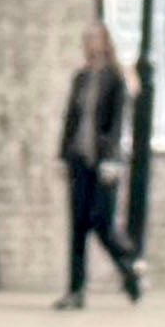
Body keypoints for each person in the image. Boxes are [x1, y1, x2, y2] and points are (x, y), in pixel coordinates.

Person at [56, 22, 143, 309]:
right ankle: (75, 291)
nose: (89, 44)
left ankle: (129, 266)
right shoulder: (81, 77)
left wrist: (113, 160)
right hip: (80, 159)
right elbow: (71, 118)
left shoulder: (116, 78)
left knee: (102, 223)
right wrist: (63, 154)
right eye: (87, 39)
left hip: (105, 162)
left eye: (94, 39)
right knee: (78, 225)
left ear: (105, 43)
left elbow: (119, 121)